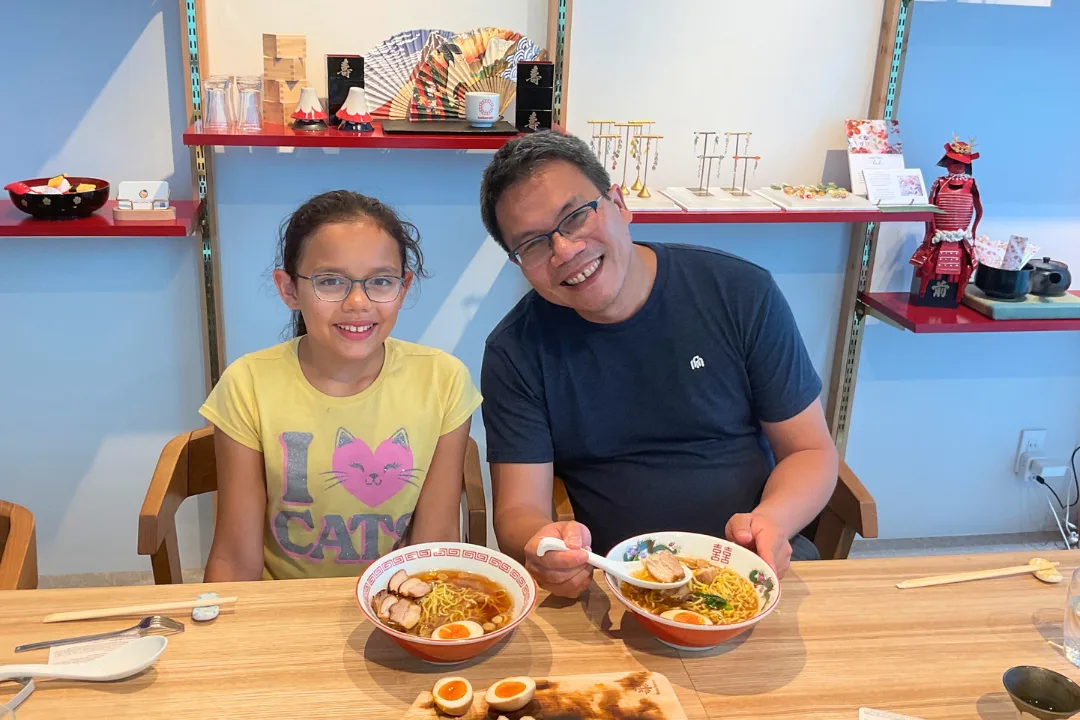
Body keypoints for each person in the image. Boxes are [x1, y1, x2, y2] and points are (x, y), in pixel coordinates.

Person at [478, 131, 839, 598]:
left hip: (753, 564)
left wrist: (773, 520)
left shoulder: (739, 293)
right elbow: (518, 511)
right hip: (618, 581)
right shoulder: (515, 350)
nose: (564, 251)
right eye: (533, 245)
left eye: (575, 217)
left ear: (618, 202)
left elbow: (809, 451)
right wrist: (546, 545)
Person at [199, 191, 481, 581]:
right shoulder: (247, 384)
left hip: (395, 603)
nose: (357, 302)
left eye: (381, 281)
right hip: (282, 611)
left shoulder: (443, 381)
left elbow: (435, 544)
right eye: (330, 281)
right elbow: (234, 558)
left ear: (404, 286)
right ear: (289, 289)